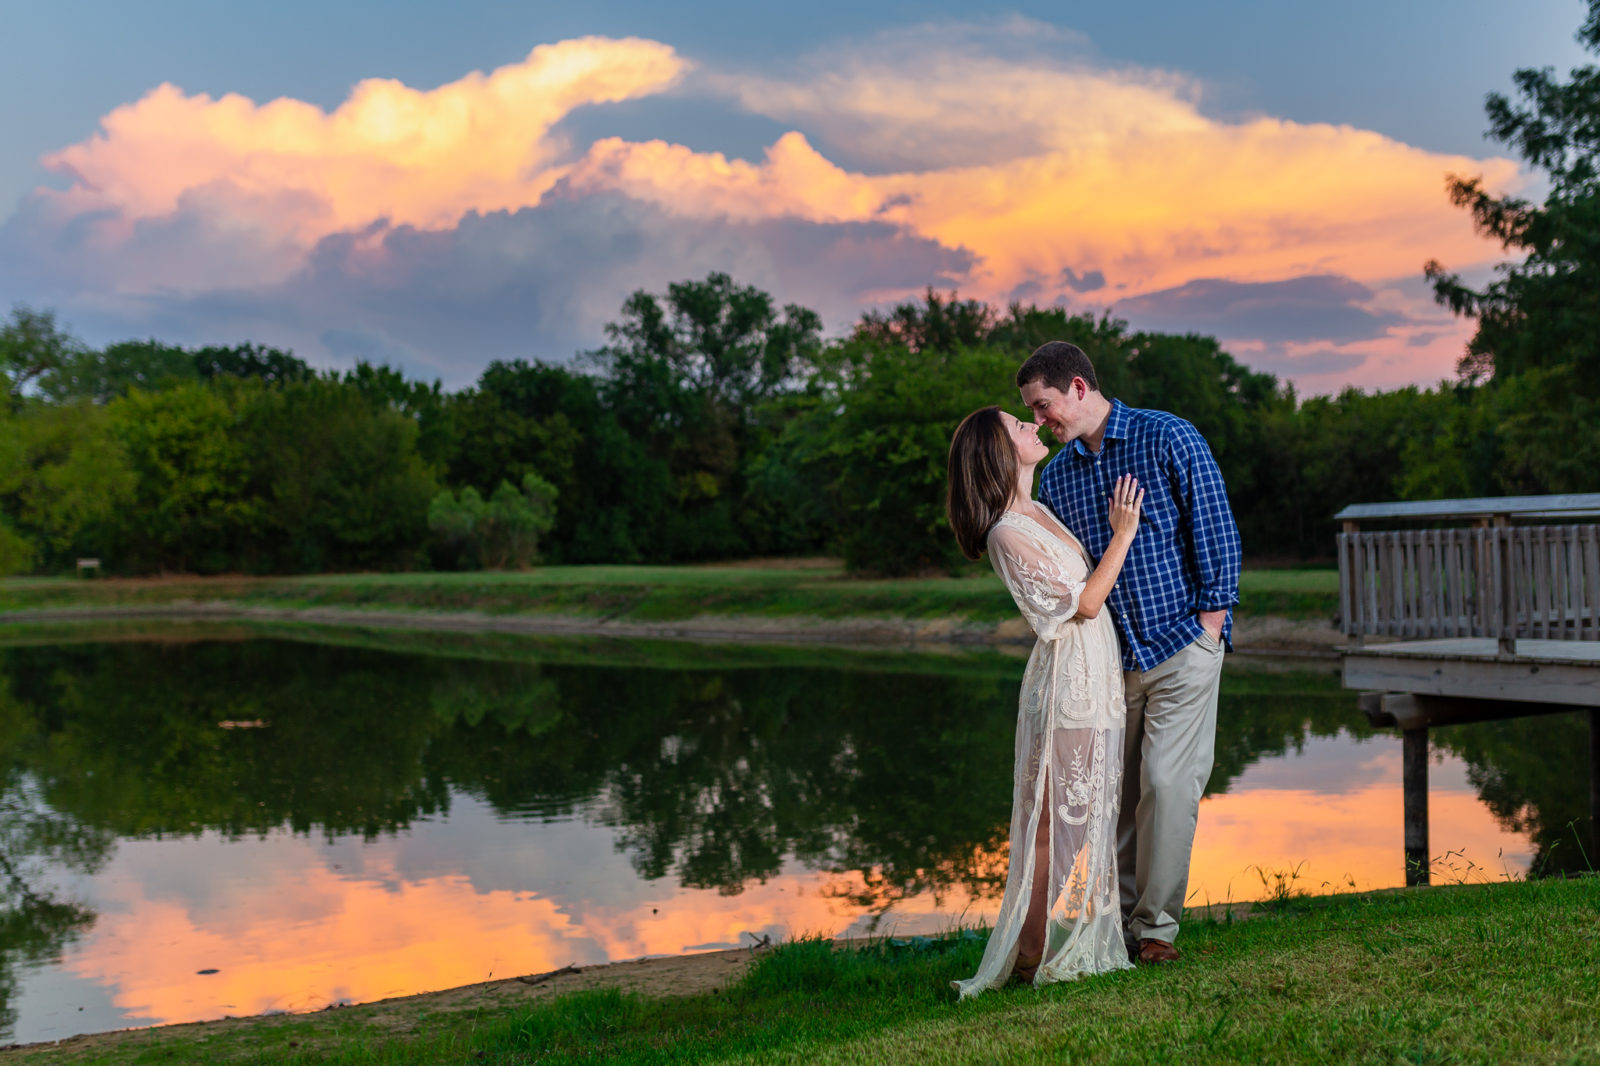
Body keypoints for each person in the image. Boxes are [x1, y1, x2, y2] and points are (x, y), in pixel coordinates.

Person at [1017, 341, 1241, 966]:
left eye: (1044, 405)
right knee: (1114, 797)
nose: (1040, 421)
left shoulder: (1167, 436)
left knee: (1168, 786)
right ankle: (1111, 922)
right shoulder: (1059, 475)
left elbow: (1215, 528)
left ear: (1080, 388)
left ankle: (1156, 932)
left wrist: (1210, 624)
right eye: (1032, 412)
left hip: (1181, 645)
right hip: (1109, 661)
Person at [946, 405, 1145, 997]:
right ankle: (1029, 955)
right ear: (997, 453)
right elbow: (1082, 604)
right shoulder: (1007, 531)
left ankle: (1035, 950)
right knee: (1057, 825)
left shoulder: (1036, 512)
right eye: (1018, 425)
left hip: (1094, 669)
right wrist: (1124, 534)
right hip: (1068, 680)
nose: (1033, 428)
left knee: (1080, 818)